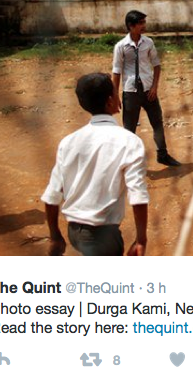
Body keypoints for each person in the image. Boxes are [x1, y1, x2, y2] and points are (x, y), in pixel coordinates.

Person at [41, 73, 148, 256]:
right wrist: (141, 240)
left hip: (74, 232)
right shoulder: (129, 141)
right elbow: (137, 195)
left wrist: (55, 236)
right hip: (104, 237)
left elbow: (52, 195)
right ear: (110, 101)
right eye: (115, 92)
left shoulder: (69, 142)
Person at [111, 11, 182, 167]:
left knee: (157, 122)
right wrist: (115, 96)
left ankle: (162, 154)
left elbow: (157, 65)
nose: (144, 26)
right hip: (131, 92)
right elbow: (116, 72)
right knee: (129, 129)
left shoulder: (148, 43)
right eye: (140, 23)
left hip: (149, 90)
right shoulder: (121, 47)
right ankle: (127, 161)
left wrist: (155, 87)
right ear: (131, 26)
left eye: (144, 22)